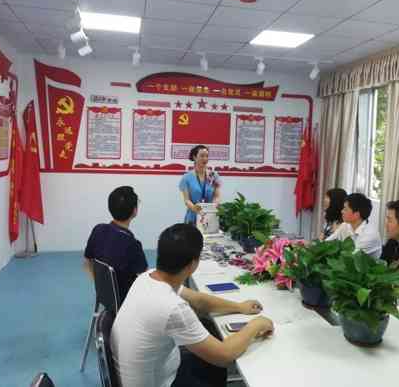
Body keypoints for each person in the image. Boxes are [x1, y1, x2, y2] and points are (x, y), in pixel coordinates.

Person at [111, 223, 274, 387]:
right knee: (217, 362)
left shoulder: (147, 277)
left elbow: (198, 300)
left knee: (208, 330)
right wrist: (256, 324)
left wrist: (239, 307)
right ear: (193, 264)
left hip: (148, 372)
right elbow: (224, 356)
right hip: (161, 382)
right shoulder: (172, 307)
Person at [84, 186, 148, 304]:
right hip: (125, 301)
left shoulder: (98, 230)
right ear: (134, 211)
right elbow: (144, 279)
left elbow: (87, 262)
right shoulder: (132, 244)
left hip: (104, 295)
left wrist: (100, 285)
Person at [325, 193, 382, 258]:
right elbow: (326, 243)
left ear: (356, 214)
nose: (342, 211)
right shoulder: (345, 226)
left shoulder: (370, 235)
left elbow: (350, 257)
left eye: (345, 209)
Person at [179, 145, 221, 225]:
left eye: (207, 156)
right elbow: (187, 200)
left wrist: (213, 207)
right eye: (202, 156)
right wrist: (194, 208)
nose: (205, 159)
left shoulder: (213, 175)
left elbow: (217, 196)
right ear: (194, 157)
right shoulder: (186, 177)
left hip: (210, 216)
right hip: (193, 216)